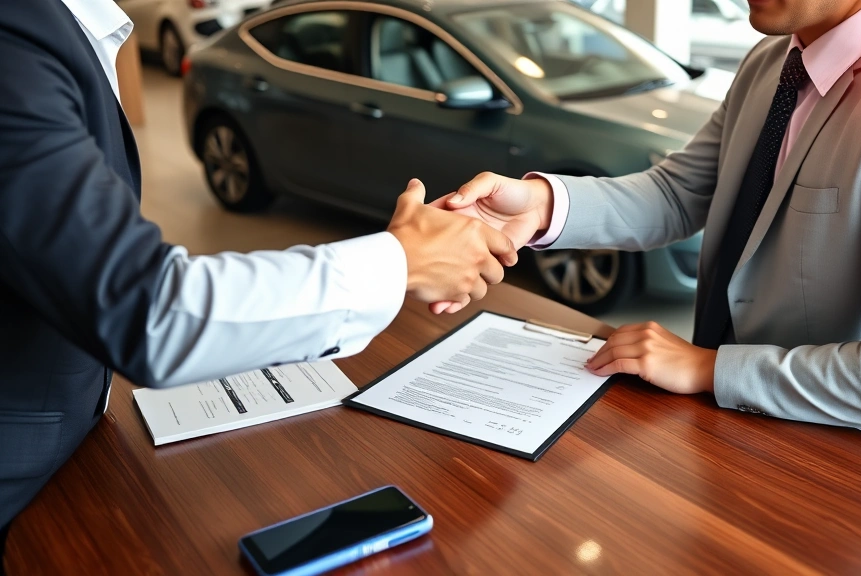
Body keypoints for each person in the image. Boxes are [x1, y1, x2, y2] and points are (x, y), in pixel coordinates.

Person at [0, 0, 515, 556]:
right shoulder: (16, 35)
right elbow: (146, 309)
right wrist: (401, 261)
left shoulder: (59, 27)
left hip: (82, 447)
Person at [438, 0, 861, 466]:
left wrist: (706, 368)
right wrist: (539, 205)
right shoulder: (773, 60)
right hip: (727, 425)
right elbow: (678, 193)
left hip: (848, 465)